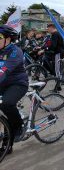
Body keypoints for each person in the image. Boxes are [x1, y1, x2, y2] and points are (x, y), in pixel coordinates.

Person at [0, 25, 28, 155]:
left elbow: (3, 71)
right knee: (5, 113)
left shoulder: (15, 51)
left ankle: (19, 126)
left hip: (18, 83)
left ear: (8, 39)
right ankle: (8, 146)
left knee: (6, 104)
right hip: (3, 84)